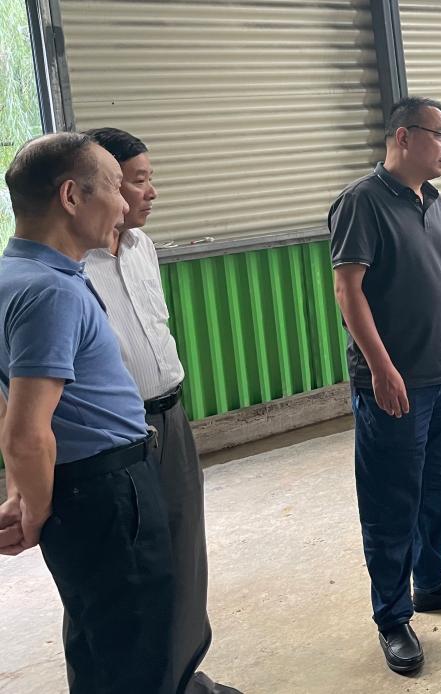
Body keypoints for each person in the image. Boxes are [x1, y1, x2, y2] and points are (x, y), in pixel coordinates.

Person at [0, 132, 176, 692]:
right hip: (106, 493)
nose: (125, 205)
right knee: (135, 651)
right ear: (72, 196)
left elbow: (4, 403)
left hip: (84, 488)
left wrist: (25, 492)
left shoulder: (12, 276)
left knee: (100, 642)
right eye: (115, 189)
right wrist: (35, 510)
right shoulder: (52, 291)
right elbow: (25, 433)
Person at [328, 96, 441, 675]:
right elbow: (348, 289)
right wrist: (381, 367)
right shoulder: (361, 202)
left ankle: (433, 582)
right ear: (404, 136)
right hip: (396, 384)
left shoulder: (436, 202)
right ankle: (392, 616)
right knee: (391, 499)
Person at [81, 127, 240, 694]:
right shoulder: (69, 267)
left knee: (183, 551)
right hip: (114, 439)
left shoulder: (142, 247)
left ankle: (180, 676)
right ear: (96, 187)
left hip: (170, 418)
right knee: (120, 573)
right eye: (137, 180)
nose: (151, 192)